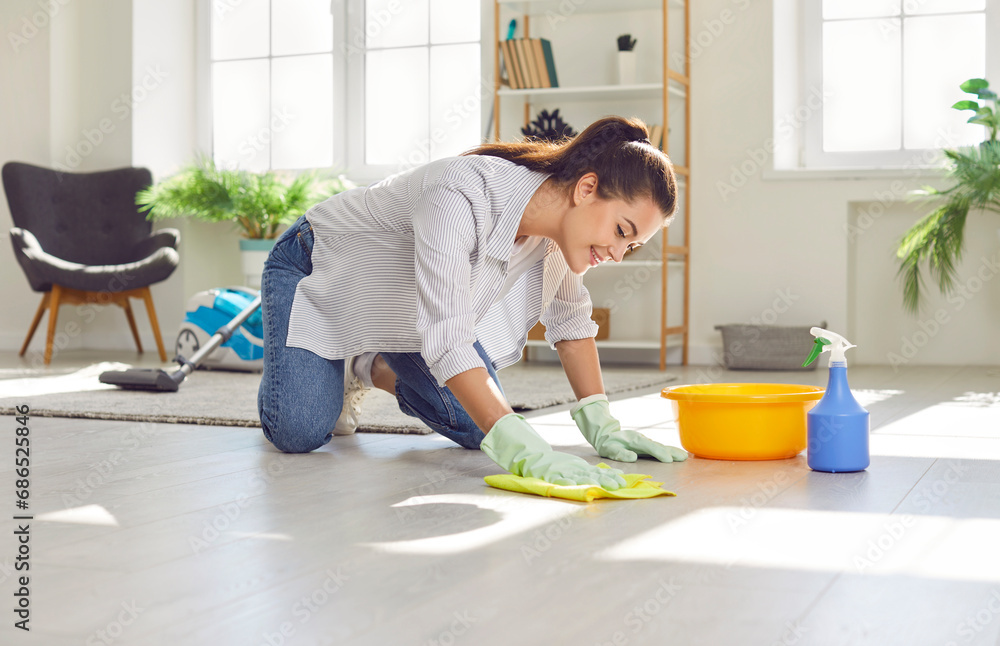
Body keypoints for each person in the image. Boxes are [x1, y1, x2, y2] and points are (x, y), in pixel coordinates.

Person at [257, 115, 688, 491]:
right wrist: (523, 450)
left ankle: (365, 365)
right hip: (320, 263)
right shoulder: (460, 194)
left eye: (631, 246)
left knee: (472, 427)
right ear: (587, 188)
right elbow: (448, 337)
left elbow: (571, 323)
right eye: (621, 231)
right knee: (299, 431)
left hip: (408, 308)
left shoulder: (560, 238)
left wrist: (602, 424)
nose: (616, 253)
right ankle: (336, 352)